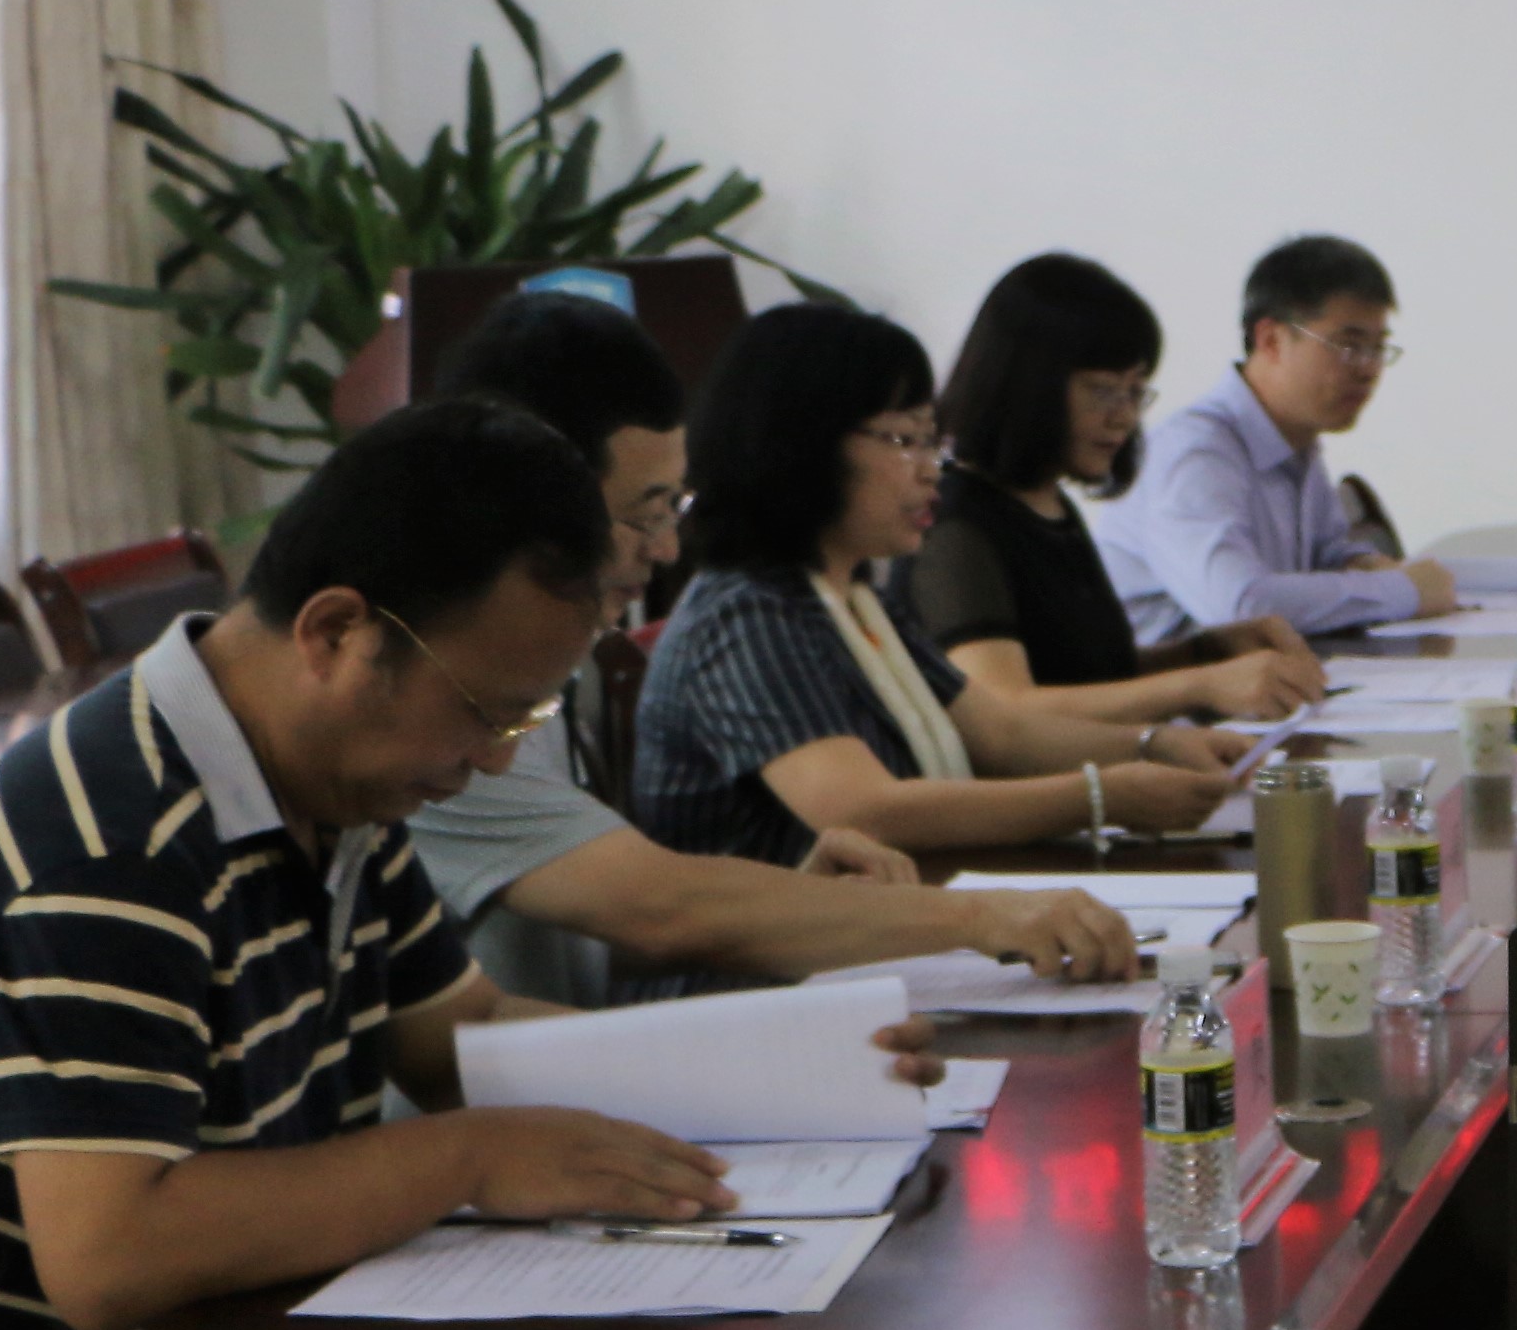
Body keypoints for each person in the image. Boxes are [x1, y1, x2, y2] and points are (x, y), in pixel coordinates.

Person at [0, 402, 750, 1330]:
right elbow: (110, 1259)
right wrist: (468, 1158)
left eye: (528, 717)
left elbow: (461, 1034)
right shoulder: (111, 848)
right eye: (485, 711)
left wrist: (771, 1067)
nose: (496, 759)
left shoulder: (331, 781)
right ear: (336, 634)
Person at [414, 284, 1159, 1007]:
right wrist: (989, 909)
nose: (667, 549)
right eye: (647, 513)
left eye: (674, 508)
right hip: (641, 1038)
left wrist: (807, 895)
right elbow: (658, 909)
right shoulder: (450, 707)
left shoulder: (847, 593)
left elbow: (596, 940)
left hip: (626, 1036)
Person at [637, 300, 1252, 867]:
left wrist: (1153, 746)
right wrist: (1098, 796)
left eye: (931, 441)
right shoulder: (748, 612)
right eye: (904, 440)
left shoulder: (854, 596)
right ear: (801, 444)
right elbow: (862, 810)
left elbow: (999, 734)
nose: (932, 470)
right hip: (777, 949)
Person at [910, 252, 1325, 716]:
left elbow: (1091, 676)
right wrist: (1199, 686)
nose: (1124, 417)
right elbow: (1007, 711)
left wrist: (1205, 653)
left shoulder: (1047, 506)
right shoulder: (958, 526)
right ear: (1030, 385)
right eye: (1104, 390)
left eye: (1135, 392)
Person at [1091, 232, 1455, 643]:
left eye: (1378, 348)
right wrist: (1403, 591)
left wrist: (1363, 564)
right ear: (1272, 340)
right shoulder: (1195, 453)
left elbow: (1328, 557)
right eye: (1350, 345)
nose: (1369, 369)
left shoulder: (1296, 440)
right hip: (1167, 682)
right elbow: (1239, 607)